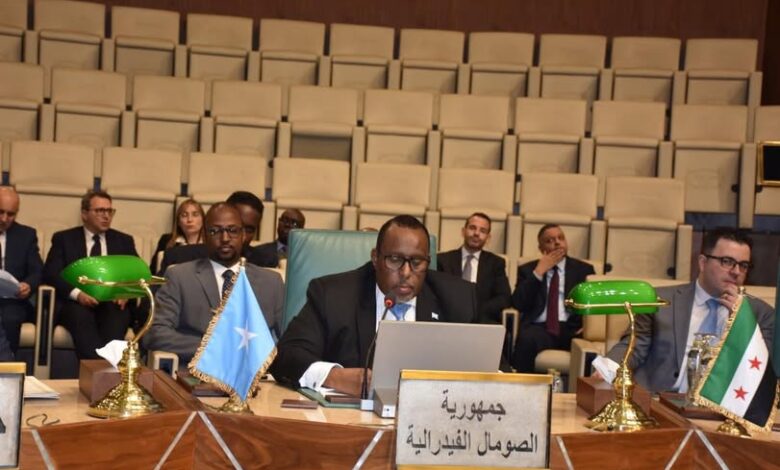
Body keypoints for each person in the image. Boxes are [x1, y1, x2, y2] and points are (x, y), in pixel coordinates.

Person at [270, 215, 477, 397]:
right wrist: (336, 377)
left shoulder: (457, 298)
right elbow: (287, 356)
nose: (406, 272)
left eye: (417, 262)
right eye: (394, 259)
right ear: (375, 258)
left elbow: (487, 369)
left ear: (428, 262)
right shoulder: (334, 296)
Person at [606, 227, 775, 393]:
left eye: (743, 265)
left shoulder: (761, 314)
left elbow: (762, 371)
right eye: (727, 262)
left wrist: (741, 324)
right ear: (702, 263)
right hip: (658, 402)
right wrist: (607, 369)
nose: (736, 272)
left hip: (722, 407)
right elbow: (634, 347)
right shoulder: (659, 301)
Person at [143, 203, 285, 364]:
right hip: (196, 371)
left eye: (232, 230)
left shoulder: (271, 282)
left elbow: (290, 341)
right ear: (204, 235)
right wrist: (215, 347)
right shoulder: (180, 277)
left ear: (243, 235)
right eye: (215, 231)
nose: (225, 238)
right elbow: (155, 333)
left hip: (254, 374)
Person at [43, 190, 138, 359]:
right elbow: (52, 273)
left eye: (109, 211)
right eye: (100, 211)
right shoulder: (64, 239)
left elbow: (137, 273)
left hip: (112, 303)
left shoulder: (123, 240)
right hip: (76, 303)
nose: (106, 216)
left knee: (116, 318)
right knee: (80, 318)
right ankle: (97, 368)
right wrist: (78, 294)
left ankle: (101, 368)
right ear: (84, 214)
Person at [510, 224, 595, 372]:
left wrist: (589, 324)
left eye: (560, 238)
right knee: (526, 339)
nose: (557, 242)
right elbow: (518, 303)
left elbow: (594, 302)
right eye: (549, 240)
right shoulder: (528, 270)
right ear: (541, 248)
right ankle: (523, 385)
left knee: (590, 349)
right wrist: (538, 272)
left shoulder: (583, 270)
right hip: (540, 328)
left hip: (572, 328)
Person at [159, 191, 276, 273]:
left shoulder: (265, 263)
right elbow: (153, 299)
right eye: (233, 228)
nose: (242, 236)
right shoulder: (179, 258)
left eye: (249, 230)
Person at [436, 212, 511, 323]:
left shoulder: (496, 263)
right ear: (463, 231)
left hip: (482, 319)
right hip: (449, 319)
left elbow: (504, 298)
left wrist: (477, 311)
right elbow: (436, 293)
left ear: (488, 237)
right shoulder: (443, 260)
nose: (476, 233)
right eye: (472, 228)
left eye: (482, 231)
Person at [0, 186, 43, 354]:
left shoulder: (26, 235)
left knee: (10, 318)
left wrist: (28, 285)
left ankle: (7, 366)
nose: (4, 219)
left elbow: (37, 270)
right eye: (0, 212)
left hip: (13, 299)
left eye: (10, 214)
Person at [150, 199, 205, 273]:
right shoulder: (166, 240)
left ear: (203, 219)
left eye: (195, 215)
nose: (189, 220)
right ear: (178, 222)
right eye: (184, 215)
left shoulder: (211, 243)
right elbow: (153, 272)